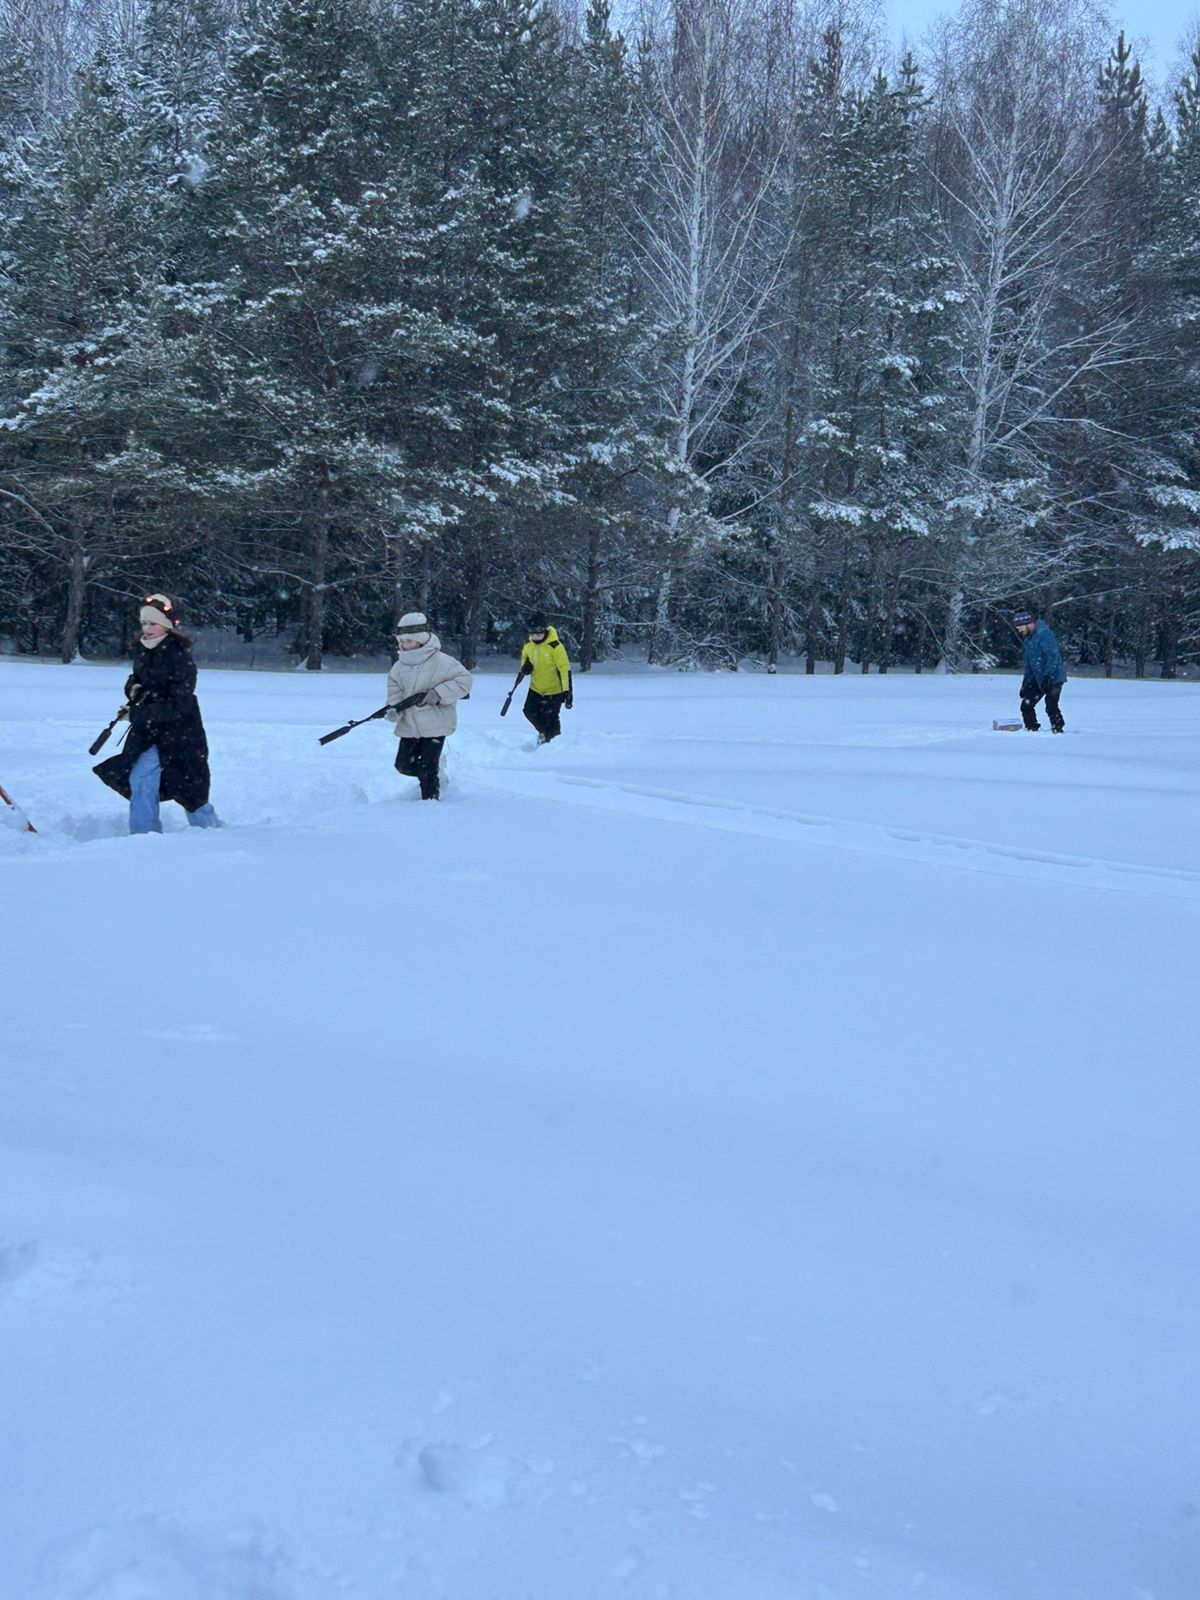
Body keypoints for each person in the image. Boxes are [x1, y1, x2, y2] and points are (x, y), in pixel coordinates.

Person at [94, 594, 219, 833]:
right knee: (140, 778)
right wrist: (134, 691)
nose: (147, 628)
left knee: (190, 788)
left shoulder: (179, 656)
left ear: (168, 625)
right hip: (149, 732)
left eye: (153, 623)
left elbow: (178, 705)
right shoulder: (143, 650)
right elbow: (135, 680)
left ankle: (209, 832)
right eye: (143, 623)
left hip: (180, 733)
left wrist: (137, 715)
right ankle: (144, 835)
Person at [386, 613, 472, 799]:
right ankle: (434, 772)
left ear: (422, 639)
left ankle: (430, 803)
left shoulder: (443, 661)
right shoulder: (399, 667)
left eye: (409, 641)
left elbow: (464, 681)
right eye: (402, 641)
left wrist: (438, 694)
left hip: (436, 724)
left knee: (427, 768)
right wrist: (393, 709)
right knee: (403, 766)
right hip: (409, 725)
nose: (404, 645)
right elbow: (395, 692)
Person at [517, 613, 573, 744]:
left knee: (551, 717)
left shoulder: (555, 647)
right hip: (536, 688)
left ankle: (553, 742)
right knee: (529, 711)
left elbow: (565, 670)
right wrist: (525, 668)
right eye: (533, 634)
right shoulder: (528, 645)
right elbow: (525, 660)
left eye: (538, 634)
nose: (535, 638)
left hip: (554, 690)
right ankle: (546, 734)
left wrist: (567, 692)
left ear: (545, 631)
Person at [1014, 609, 1067, 733]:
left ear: (1028, 623)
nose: (1019, 630)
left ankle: (1058, 728)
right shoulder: (1028, 640)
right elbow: (1029, 665)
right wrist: (1025, 684)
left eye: (1020, 627)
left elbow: (1052, 656)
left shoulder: (1044, 634)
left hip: (1054, 676)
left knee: (1051, 705)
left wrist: (1049, 676)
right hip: (1039, 678)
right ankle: (1031, 729)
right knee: (1026, 705)